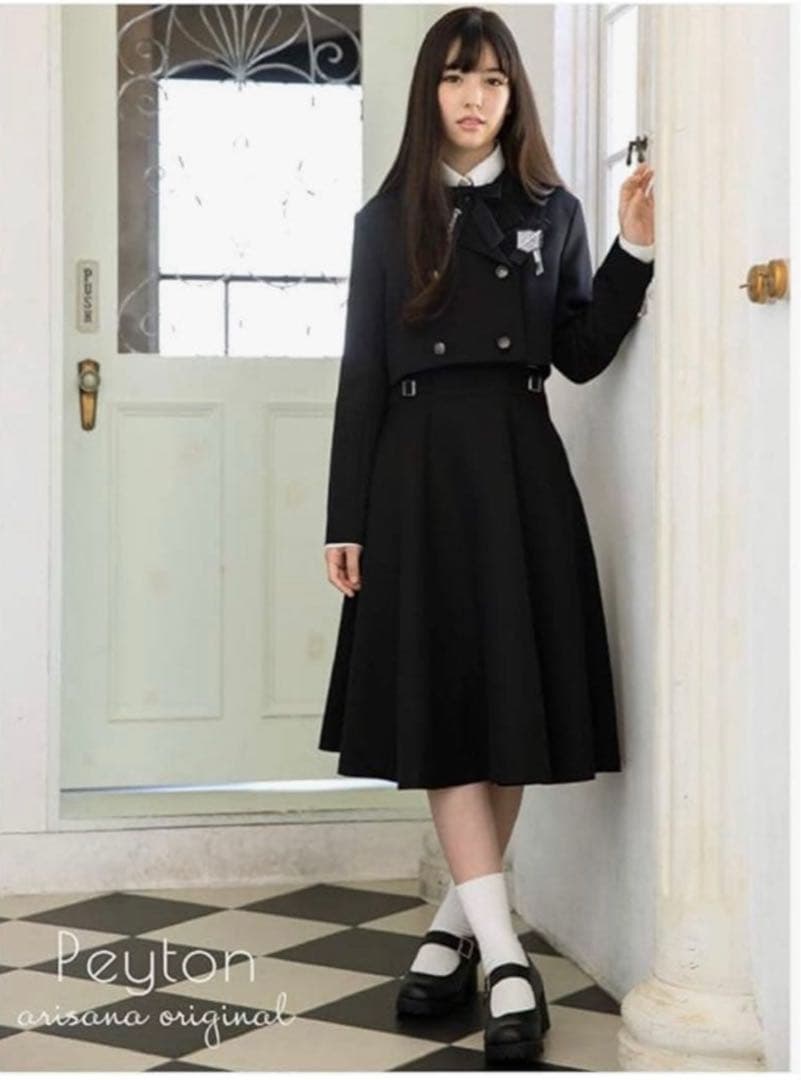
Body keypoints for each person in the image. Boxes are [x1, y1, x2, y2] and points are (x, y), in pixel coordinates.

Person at [318, 6, 655, 1066]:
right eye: (457, 78)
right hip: (414, 477)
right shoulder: (386, 221)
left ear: (514, 96)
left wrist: (634, 249)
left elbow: (580, 352)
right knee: (446, 706)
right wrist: (344, 517)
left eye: (494, 81)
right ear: (429, 92)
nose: (475, 98)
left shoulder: (552, 210)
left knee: (504, 700)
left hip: (519, 466)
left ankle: (454, 928)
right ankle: (507, 957)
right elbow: (362, 373)